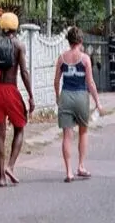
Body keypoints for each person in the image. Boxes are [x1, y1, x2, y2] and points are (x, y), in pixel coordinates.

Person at [0, 12, 35, 187]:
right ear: (15, 27)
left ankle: (1, 177)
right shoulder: (19, 45)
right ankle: (11, 166)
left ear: (2, 26)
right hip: (11, 91)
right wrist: (30, 95)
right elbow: (24, 72)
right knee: (20, 128)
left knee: (0, 134)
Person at [54, 26, 104, 183]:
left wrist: (58, 97)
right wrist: (98, 102)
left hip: (66, 96)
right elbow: (90, 82)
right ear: (80, 41)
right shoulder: (85, 59)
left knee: (67, 135)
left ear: (69, 41)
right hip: (82, 96)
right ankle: (81, 166)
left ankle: (68, 172)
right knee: (83, 132)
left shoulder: (61, 58)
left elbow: (56, 81)